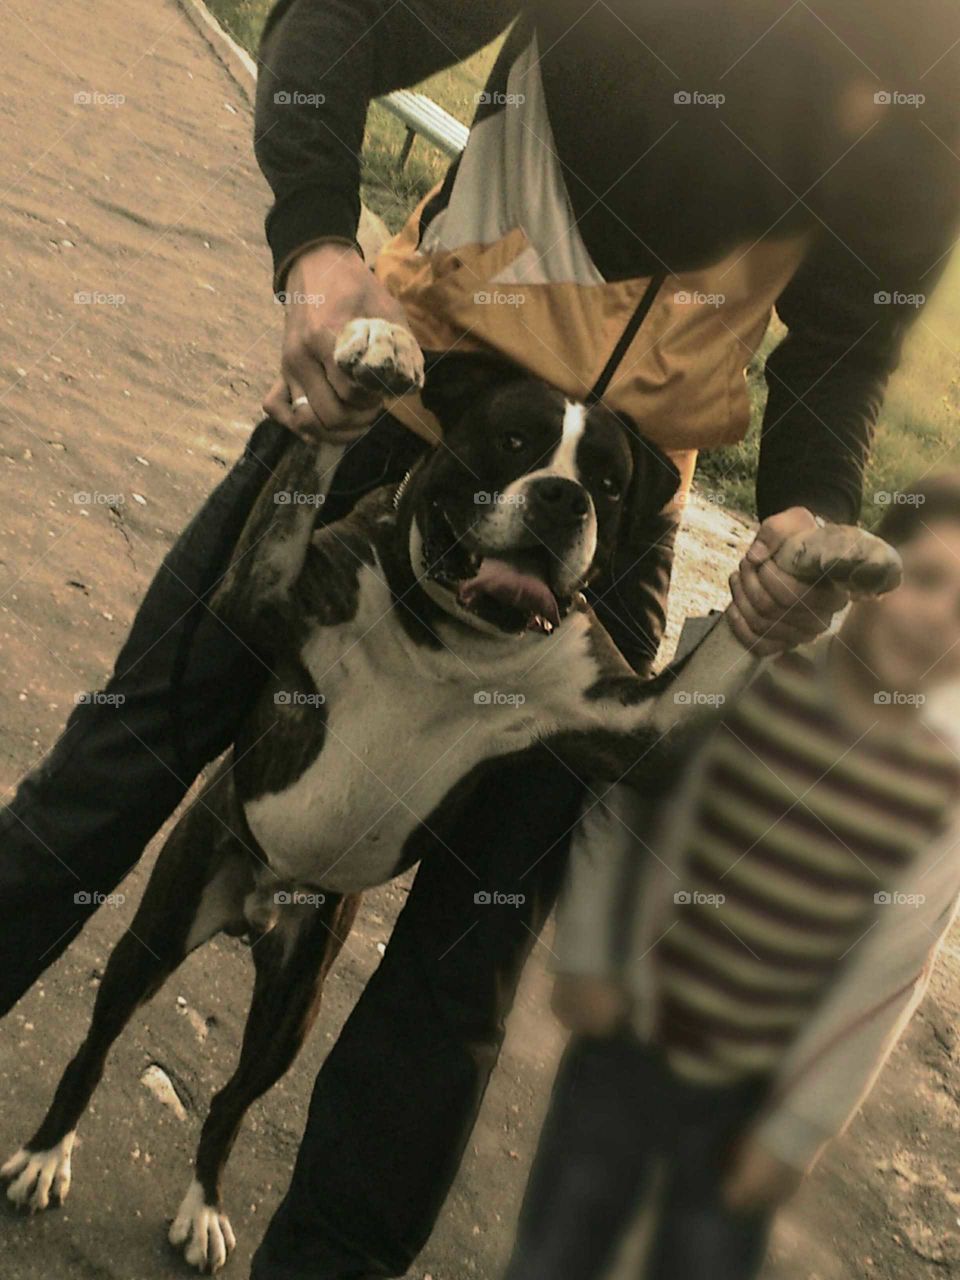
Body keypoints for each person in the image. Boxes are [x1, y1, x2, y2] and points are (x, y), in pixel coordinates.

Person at [0, 3, 957, 1277]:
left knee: (459, 975)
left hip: (614, 506)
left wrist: (807, 508)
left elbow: (846, 342)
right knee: (121, 762)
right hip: (406, 411)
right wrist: (317, 246)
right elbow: (336, 21)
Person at [506, 471, 960, 1280]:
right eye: (924, 580)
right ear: (867, 571)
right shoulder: (754, 663)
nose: (940, 619)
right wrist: (588, 956)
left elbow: (893, 968)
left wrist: (798, 1131)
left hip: (753, 1088)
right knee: (561, 1243)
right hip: (632, 1033)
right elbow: (633, 786)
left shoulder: (941, 785)